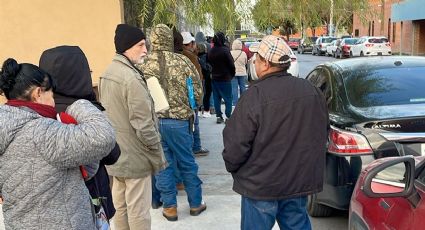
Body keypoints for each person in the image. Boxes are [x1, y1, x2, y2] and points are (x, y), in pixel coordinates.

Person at [222, 35, 329, 230]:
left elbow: (235, 144)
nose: (254, 62)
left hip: (260, 186)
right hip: (297, 183)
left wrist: (234, 168)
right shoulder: (312, 91)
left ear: (265, 63)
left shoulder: (255, 95)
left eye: (257, 58)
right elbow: (322, 133)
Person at [0, 58, 116, 229]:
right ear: (38, 93)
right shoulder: (42, 131)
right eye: (51, 95)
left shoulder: (6, 126)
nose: (54, 102)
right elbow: (102, 137)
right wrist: (80, 105)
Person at [39, 45, 121, 220]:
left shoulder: (37, 112)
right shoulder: (83, 111)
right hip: (89, 201)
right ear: (78, 75)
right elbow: (113, 154)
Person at [99, 24, 166, 230]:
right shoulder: (131, 78)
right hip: (135, 156)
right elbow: (143, 124)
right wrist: (156, 148)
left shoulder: (107, 73)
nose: (145, 50)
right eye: (141, 45)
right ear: (127, 47)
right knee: (139, 211)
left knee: (121, 207)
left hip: (116, 153)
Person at [138, 24, 206, 222]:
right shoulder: (183, 62)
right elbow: (198, 93)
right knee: (187, 162)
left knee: (162, 166)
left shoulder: (142, 64)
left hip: (154, 122)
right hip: (179, 122)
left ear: (152, 39)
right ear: (169, 39)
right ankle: (195, 203)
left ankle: (169, 207)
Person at [181, 31, 210, 157]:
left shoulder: (181, 54)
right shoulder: (190, 57)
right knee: (194, 120)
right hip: (191, 92)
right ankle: (196, 146)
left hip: (185, 93)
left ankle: (193, 145)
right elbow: (196, 77)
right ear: (190, 43)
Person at [208, 32, 236, 124]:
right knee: (228, 98)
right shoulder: (225, 50)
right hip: (225, 78)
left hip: (214, 78)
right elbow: (231, 64)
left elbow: (209, 63)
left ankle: (219, 116)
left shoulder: (211, 51)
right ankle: (228, 116)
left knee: (217, 98)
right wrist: (232, 74)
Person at [230, 39, 248, 106]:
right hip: (242, 72)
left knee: (234, 88)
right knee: (242, 87)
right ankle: (243, 101)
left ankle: (235, 102)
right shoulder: (243, 53)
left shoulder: (231, 53)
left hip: (233, 72)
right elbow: (245, 62)